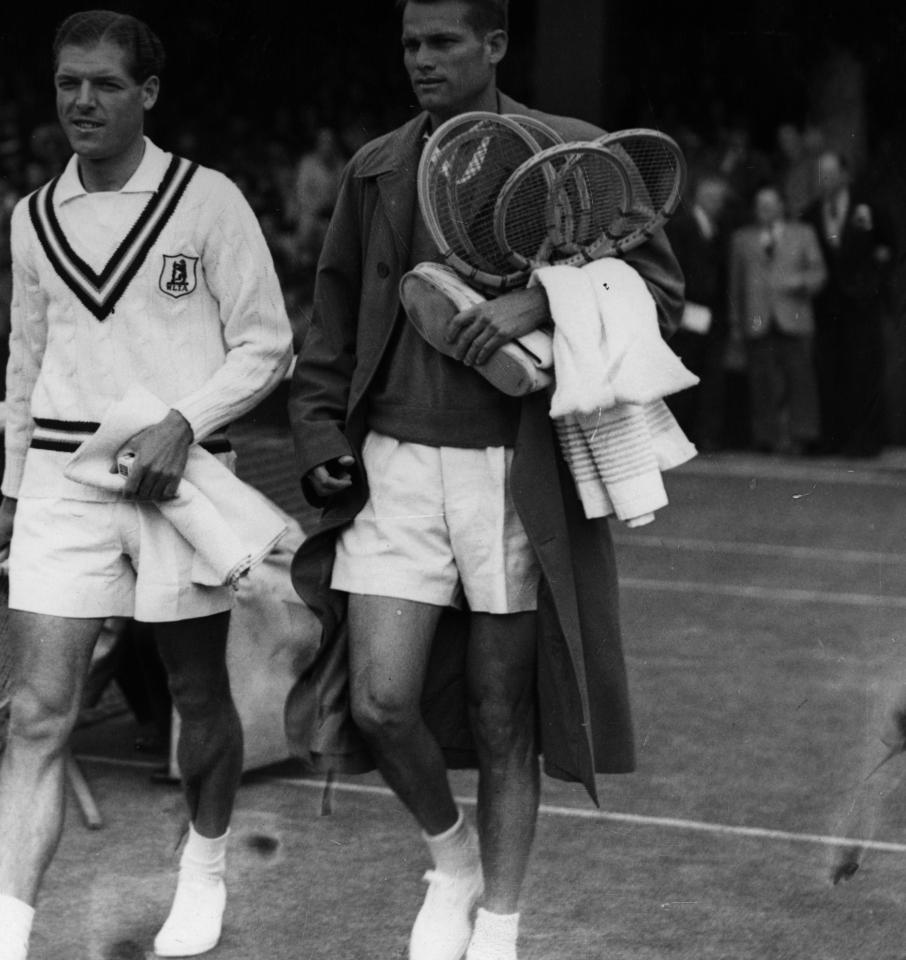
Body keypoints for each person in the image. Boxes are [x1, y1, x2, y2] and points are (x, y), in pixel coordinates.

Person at [284, 3, 684, 960]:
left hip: (515, 470)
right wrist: (316, 435)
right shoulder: (378, 164)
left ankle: (499, 922)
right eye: (411, 44)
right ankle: (451, 859)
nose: (422, 60)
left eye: (444, 43)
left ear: (496, 45)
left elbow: (661, 291)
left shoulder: (572, 152)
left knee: (507, 712)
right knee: (381, 701)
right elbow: (331, 320)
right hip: (392, 467)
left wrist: (535, 299)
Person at [0, 11, 292, 960]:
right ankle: (3, 938)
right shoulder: (32, 217)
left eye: (105, 84)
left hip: (182, 480)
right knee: (41, 712)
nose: (82, 99)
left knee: (200, 697)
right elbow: (24, 361)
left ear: (147, 94)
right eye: (68, 81)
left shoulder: (210, 202)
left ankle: (202, 877)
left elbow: (268, 345)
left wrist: (182, 423)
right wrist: (13, 488)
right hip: (63, 489)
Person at [805, 151, 896, 458]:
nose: (826, 180)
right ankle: (834, 438)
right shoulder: (811, 212)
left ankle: (867, 441)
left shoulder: (867, 206)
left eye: (831, 173)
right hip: (826, 306)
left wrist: (874, 278)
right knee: (830, 371)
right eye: (821, 174)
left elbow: (891, 245)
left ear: (845, 175)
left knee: (864, 371)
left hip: (862, 304)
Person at [729, 184, 826, 456]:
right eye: (761, 206)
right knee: (761, 381)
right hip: (757, 318)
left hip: (793, 316)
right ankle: (766, 437)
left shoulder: (803, 234)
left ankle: (803, 436)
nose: (766, 211)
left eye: (770, 205)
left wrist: (800, 282)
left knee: (801, 380)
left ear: (781, 206)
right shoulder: (742, 239)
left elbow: (819, 273)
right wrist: (736, 322)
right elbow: (735, 285)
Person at [663, 173, 734, 449]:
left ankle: (705, 437)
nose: (718, 204)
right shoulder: (681, 227)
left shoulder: (718, 228)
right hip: (687, 314)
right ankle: (679, 436)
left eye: (721, 199)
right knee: (684, 375)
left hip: (712, 316)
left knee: (710, 378)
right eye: (714, 198)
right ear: (701, 198)